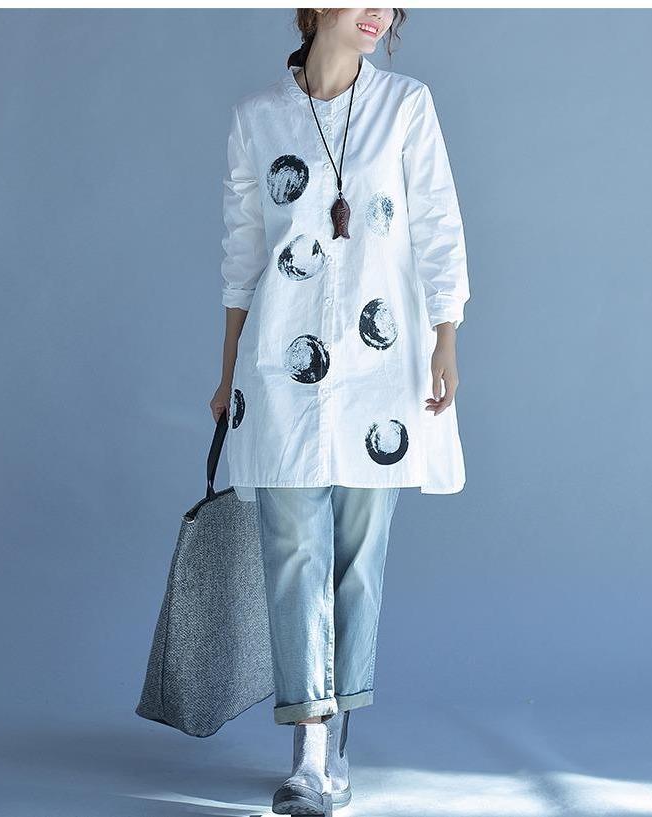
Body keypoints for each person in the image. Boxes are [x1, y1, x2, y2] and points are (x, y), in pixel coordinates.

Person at [210, 8, 470, 815]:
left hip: (381, 367)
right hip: (278, 365)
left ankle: (337, 744)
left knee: (358, 557)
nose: (377, 11)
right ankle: (309, 754)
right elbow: (241, 254)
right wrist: (226, 370)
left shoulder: (406, 105)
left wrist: (445, 337)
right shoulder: (256, 118)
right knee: (292, 551)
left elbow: (437, 224)